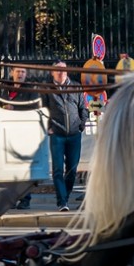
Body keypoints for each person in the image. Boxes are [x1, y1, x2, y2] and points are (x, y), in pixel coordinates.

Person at [41, 60, 89, 209]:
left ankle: (65, 197)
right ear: (52, 72)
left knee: (72, 169)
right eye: (57, 70)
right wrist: (49, 127)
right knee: (57, 170)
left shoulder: (76, 87)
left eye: (63, 69)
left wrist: (81, 124)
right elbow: (43, 110)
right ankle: (62, 202)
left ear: (67, 71)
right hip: (57, 134)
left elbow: (83, 108)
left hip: (74, 134)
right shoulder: (47, 89)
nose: (60, 72)